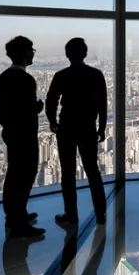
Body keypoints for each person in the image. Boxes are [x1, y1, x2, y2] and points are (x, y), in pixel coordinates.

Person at [45, 37, 108, 227]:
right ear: (85, 53)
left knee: (67, 173)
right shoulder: (96, 75)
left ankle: (71, 215)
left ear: (67, 55)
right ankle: (101, 213)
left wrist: (53, 122)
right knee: (93, 171)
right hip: (88, 126)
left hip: (67, 128)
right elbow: (102, 104)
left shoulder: (61, 75)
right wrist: (102, 127)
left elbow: (51, 101)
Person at [0, 35, 45, 239]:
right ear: (24, 53)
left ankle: (15, 216)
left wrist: (9, 123)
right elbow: (27, 109)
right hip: (25, 135)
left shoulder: (3, 77)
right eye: (31, 49)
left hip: (12, 134)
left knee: (14, 175)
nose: (32, 53)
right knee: (24, 176)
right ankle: (18, 223)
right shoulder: (25, 79)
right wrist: (36, 108)